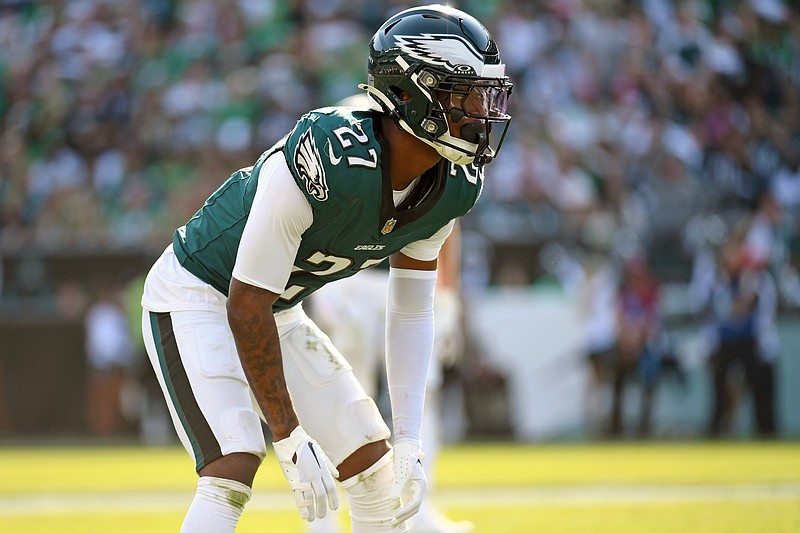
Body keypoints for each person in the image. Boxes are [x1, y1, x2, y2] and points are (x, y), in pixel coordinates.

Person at [139, 5, 513, 533]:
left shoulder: (451, 183)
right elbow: (245, 303)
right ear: (411, 92)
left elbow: (408, 310)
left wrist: (408, 437)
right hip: (197, 293)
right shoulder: (330, 157)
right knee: (233, 464)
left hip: (279, 308)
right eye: (465, 95)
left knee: (373, 467)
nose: (481, 112)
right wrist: (289, 437)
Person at [309, 223, 474, 533]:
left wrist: (449, 290)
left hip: (412, 275)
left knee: (421, 399)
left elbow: (449, 219)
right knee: (342, 401)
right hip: (352, 275)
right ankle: (323, 519)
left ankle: (418, 509)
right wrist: (320, 280)